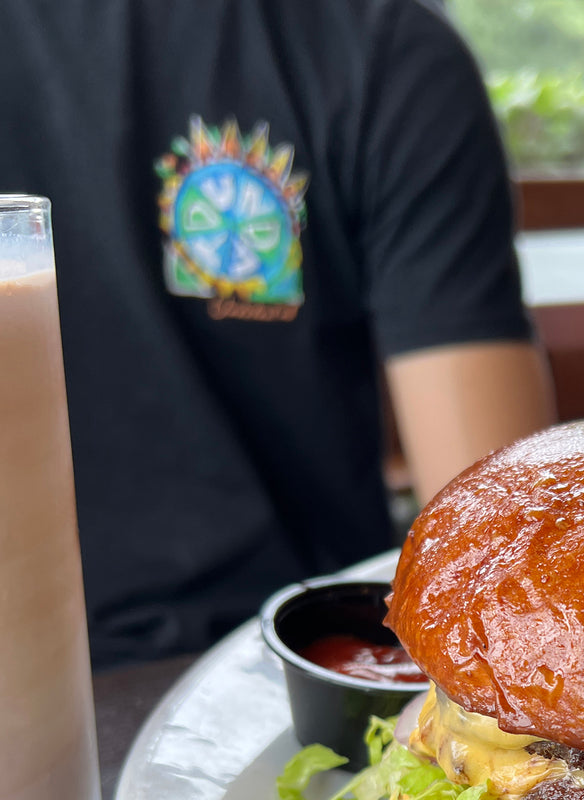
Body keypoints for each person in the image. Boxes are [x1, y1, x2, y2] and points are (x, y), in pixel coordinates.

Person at [0, 0, 555, 668]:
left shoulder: (392, 53)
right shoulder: (382, 46)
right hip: (297, 679)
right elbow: (501, 572)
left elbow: (497, 560)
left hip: (306, 666)